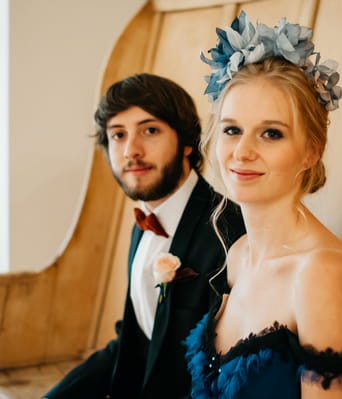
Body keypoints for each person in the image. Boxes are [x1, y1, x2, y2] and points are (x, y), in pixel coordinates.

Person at [184, 12, 342, 398]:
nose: (242, 152)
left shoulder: (322, 274)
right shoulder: (240, 253)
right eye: (232, 129)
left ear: (310, 152)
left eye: (271, 133)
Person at [44, 73, 245, 399]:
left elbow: (229, 378)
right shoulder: (146, 220)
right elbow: (135, 340)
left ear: (187, 142)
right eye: (118, 135)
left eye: (149, 130)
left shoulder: (230, 234)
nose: (130, 151)